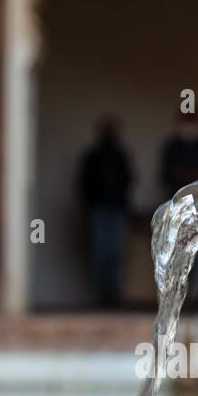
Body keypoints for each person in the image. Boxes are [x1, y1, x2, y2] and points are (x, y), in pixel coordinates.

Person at [159, 109, 198, 306]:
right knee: (177, 253)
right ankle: (175, 296)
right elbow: (165, 175)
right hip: (177, 208)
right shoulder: (172, 147)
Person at [77, 116, 133, 307]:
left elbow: (129, 179)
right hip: (99, 209)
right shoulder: (93, 156)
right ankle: (101, 294)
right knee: (100, 251)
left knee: (116, 252)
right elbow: (83, 183)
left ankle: (114, 293)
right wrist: (90, 203)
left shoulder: (120, 155)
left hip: (117, 209)